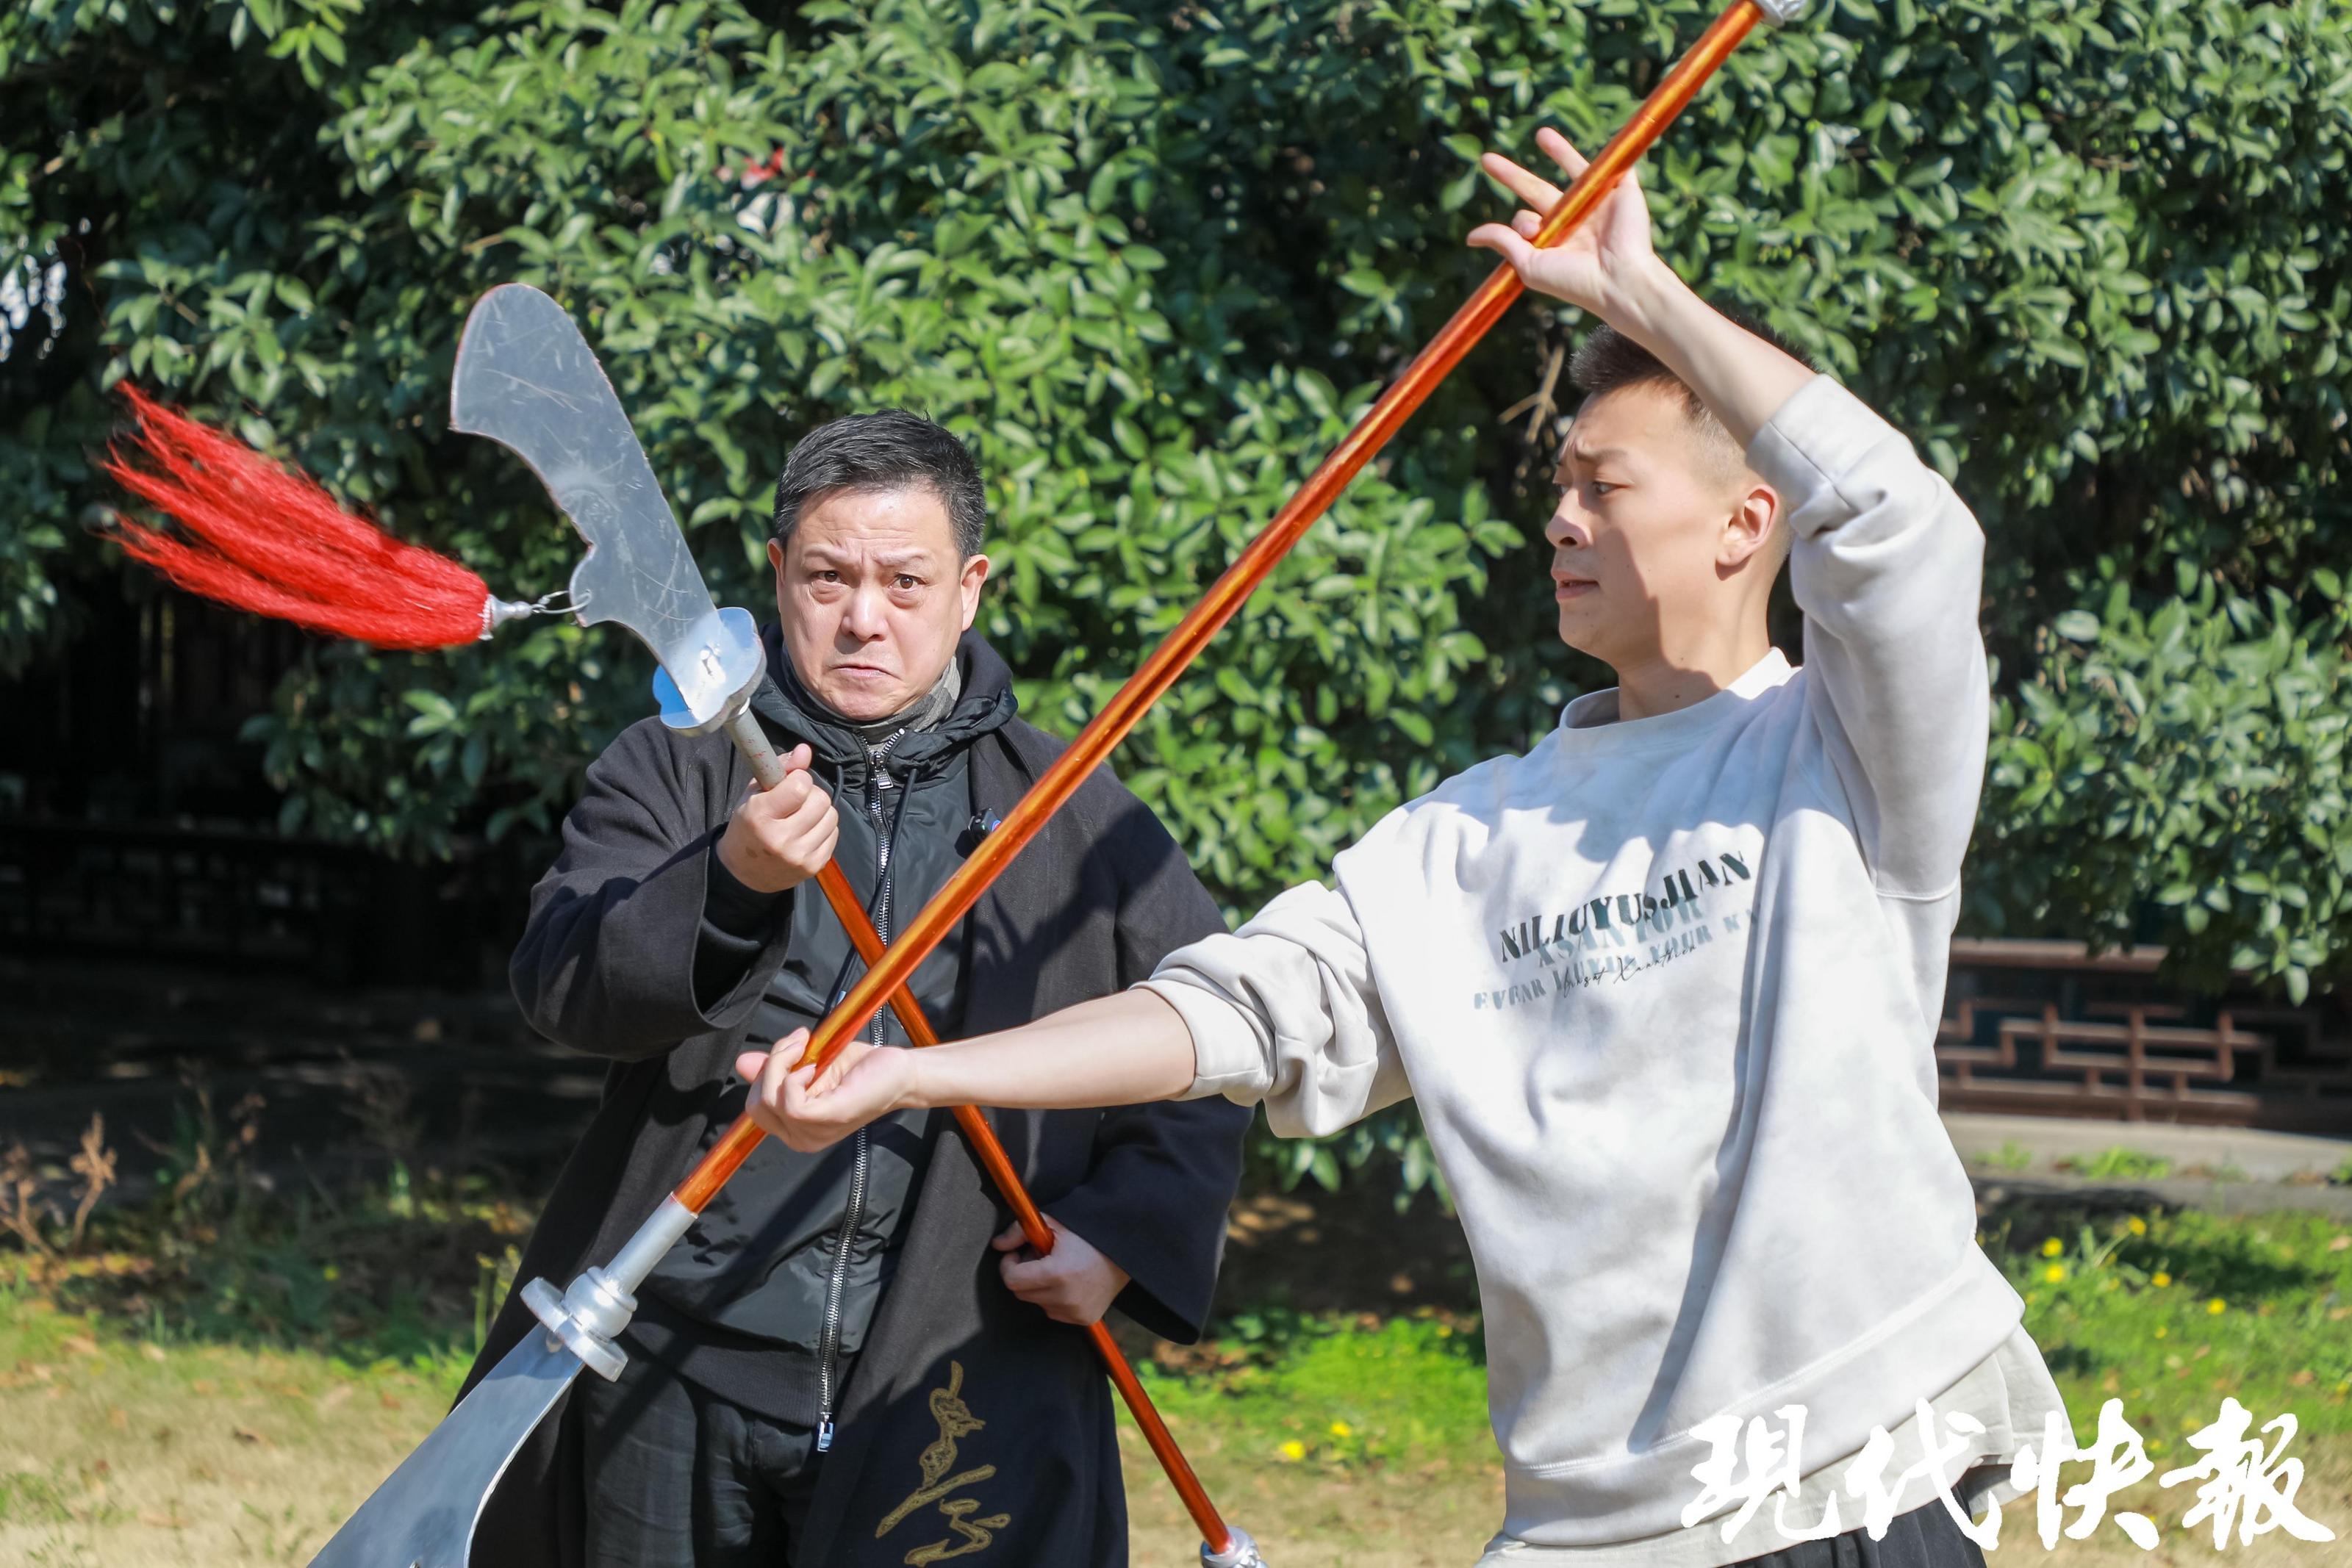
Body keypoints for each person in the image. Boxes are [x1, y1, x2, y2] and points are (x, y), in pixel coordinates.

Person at [737, 131, 2068, 1568]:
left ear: (1750, 522)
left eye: (1604, 486)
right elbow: (1223, 1012)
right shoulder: (1464, 839)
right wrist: (915, 1073)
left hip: (1850, 1480)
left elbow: (1902, 531)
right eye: (1558, 484)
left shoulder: (1841, 757)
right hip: (1594, 1528)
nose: (1557, 517)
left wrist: (1646, 299)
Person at [466, 411, 1252, 1567]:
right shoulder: (678, 766)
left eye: (906, 581)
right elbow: (563, 982)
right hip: (672, 1361)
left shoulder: (1072, 808)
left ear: (970, 589)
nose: (864, 618)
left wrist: (1120, 1236)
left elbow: (1214, 1029)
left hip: (952, 1376)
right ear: (778, 572)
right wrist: (730, 879)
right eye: (828, 577)